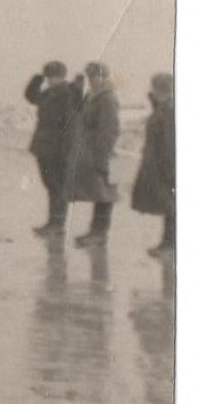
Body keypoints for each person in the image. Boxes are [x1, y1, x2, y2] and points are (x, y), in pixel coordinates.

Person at [24, 61, 84, 237]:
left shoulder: (68, 95)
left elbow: (72, 126)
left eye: (54, 76)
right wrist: (38, 78)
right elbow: (31, 97)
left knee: (57, 186)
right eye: (49, 76)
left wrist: (67, 152)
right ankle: (53, 223)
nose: (51, 79)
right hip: (45, 148)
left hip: (58, 150)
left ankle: (57, 225)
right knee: (51, 185)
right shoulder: (49, 93)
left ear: (62, 77)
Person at [65, 61, 121, 248]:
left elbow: (110, 130)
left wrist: (101, 152)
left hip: (100, 153)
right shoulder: (94, 97)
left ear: (103, 77)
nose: (91, 80)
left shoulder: (106, 98)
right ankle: (96, 232)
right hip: (91, 152)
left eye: (94, 76)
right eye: (90, 76)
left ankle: (99, 234)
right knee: (99, 193)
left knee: (104, 193)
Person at [131, 72, 175, 259]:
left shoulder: (169, 110)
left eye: (154, 87)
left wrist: (170, 170)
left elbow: (170, 143)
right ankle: (168, 243)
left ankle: (170, 245)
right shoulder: (165, 107)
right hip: (161, 165)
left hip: (165, 167)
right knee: (169, 206)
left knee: (172, 207)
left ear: (158, 89)